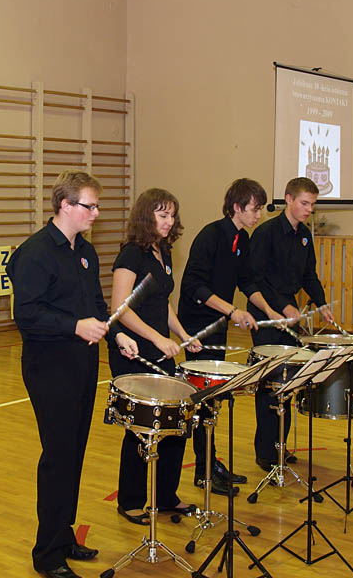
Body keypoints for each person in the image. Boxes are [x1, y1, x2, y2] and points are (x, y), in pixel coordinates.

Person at [6, 170, 138, 578]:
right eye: (89, 206)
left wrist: (115, 334)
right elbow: (26, 314)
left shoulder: (85, 252)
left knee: (74, 454)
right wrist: (74, 326)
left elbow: (95, 304)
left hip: (82, 365)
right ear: (65, 205)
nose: (95, 213)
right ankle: (47, 553)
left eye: (97, 206)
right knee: (58, 456)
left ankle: (63, 536)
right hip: (49, 366)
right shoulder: (35, 253)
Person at [177, 178, 285, 494]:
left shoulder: (243, 239)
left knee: (214, 399)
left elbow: (247, 282)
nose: (259, 215)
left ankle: (208, 463)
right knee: (203, 399)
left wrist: (270, 311)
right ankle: (204, 469)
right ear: (236, 207)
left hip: (218, 324)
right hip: (197, 327)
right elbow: (193, 285)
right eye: (254, 209)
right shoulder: (210, 236)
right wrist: (232, 311)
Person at [108, 188, 201, 525]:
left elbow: (163, 303)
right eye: (163, 215)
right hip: (133, 352)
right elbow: (120, 308)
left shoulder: (163, 251)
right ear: (146, 216)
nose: (169, 221)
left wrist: (182, 335)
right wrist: (158, 338)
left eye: (172, 215)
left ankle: (165, 496)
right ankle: (131, 501)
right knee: (140, 428)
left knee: (175, 424)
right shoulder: (131, 255)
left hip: (159, 349)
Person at [247, 177, 335, 470]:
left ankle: (279, 447)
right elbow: (255, 279)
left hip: (290, 316)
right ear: (288, 199)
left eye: (312, 205)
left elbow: (309, 274)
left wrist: (321, 303)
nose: (309, 209)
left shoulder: (305, 236)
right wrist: (281, 305)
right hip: (266, 317)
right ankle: (265, 452)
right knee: (270, 384)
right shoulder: (266, 233)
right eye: (304, 203)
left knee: (288, 383)